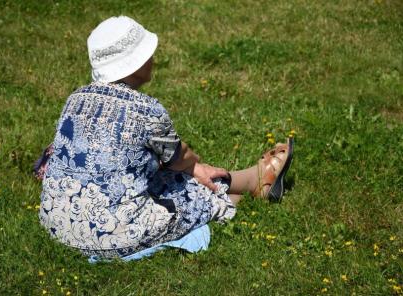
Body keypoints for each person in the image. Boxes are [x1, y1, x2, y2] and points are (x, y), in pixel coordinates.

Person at [36, 16, 294, 261]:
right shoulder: (145, 110)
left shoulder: (75, 99)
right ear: (134, 65)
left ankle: (247, 184)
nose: (152, 57)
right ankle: (255, 182)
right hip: (108, 235)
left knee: (163, 175)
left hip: (57, 225)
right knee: (187, 185)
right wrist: (196, 166)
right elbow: (180, 158)